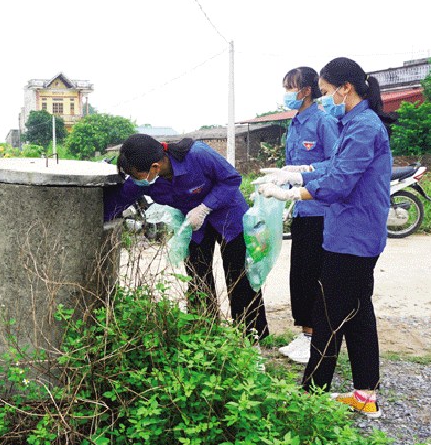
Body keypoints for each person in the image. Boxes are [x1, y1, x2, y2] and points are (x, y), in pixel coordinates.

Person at [256, 57, 391, 418]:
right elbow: (335, 165)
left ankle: (312, 394)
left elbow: (340, 181)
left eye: (328, 91)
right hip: (354, 233)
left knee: (329, 313)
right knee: (358, 312)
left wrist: (292, 193)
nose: (326, 97)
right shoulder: (355, 122)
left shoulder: (363, 126)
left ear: (344, 88)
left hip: (353, 235)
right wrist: (300, 172)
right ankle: (365, 394)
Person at [105, 134, 269, 342]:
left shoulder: (198, 155)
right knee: (198, 277)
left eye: (137, 175)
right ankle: (204, 334)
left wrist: (205, 207)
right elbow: (118, 201)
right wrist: (96, 222)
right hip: (194, 225)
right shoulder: (144, 181)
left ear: (155, 166)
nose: (136, 181)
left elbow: (232, 179)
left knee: (238, 277)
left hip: (229, 216)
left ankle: (251, 337)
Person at [272, 67, 340, 364]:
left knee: (313, 274)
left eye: (291, 87)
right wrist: (277, 181)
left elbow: (337, 163)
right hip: (300, 208)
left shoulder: (324, 121)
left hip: (320, 210)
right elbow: (291, 164)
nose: (288, 93)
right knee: (299, 274)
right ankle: (304, 333)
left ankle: (314, 337)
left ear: (307, 90)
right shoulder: (296, 123)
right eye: (285, 87)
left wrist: (303, 173)